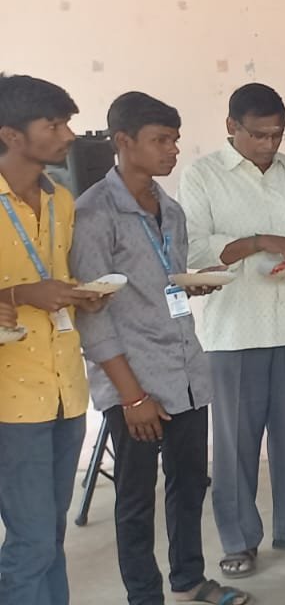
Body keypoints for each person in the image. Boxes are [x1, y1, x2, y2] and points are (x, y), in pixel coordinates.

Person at [73, 92, 250, 605]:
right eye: (160, 140)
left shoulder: (169, 209)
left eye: (174, 139)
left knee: (190, 483)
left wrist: (189, 285)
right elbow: (93, 312)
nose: (172, 150)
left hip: (186, 370)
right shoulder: (94, 213)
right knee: (133, 500)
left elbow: (159, 284)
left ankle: (190, 579)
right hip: (135, 379)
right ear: (122, 142)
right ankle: (143, 596)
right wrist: (131, 397)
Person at [178, 83, 285, 578]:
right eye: (259, 135)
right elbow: (196, 252)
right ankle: (239, 539)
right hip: (234, 330)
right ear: (232, 127)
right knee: (235, 443)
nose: (270, 144)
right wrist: (256, 242)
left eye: (278, 134)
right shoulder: (202, 177)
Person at [0, 74, 106, 605]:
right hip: (10, 399)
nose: (67, 135)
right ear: (12, 135)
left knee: (51, 535)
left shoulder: (62, 199)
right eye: (54, 125)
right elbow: (29, 289)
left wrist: (79, 294)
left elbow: (54, 277)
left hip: (66, 390)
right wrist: (22, 293)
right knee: (31, 540)